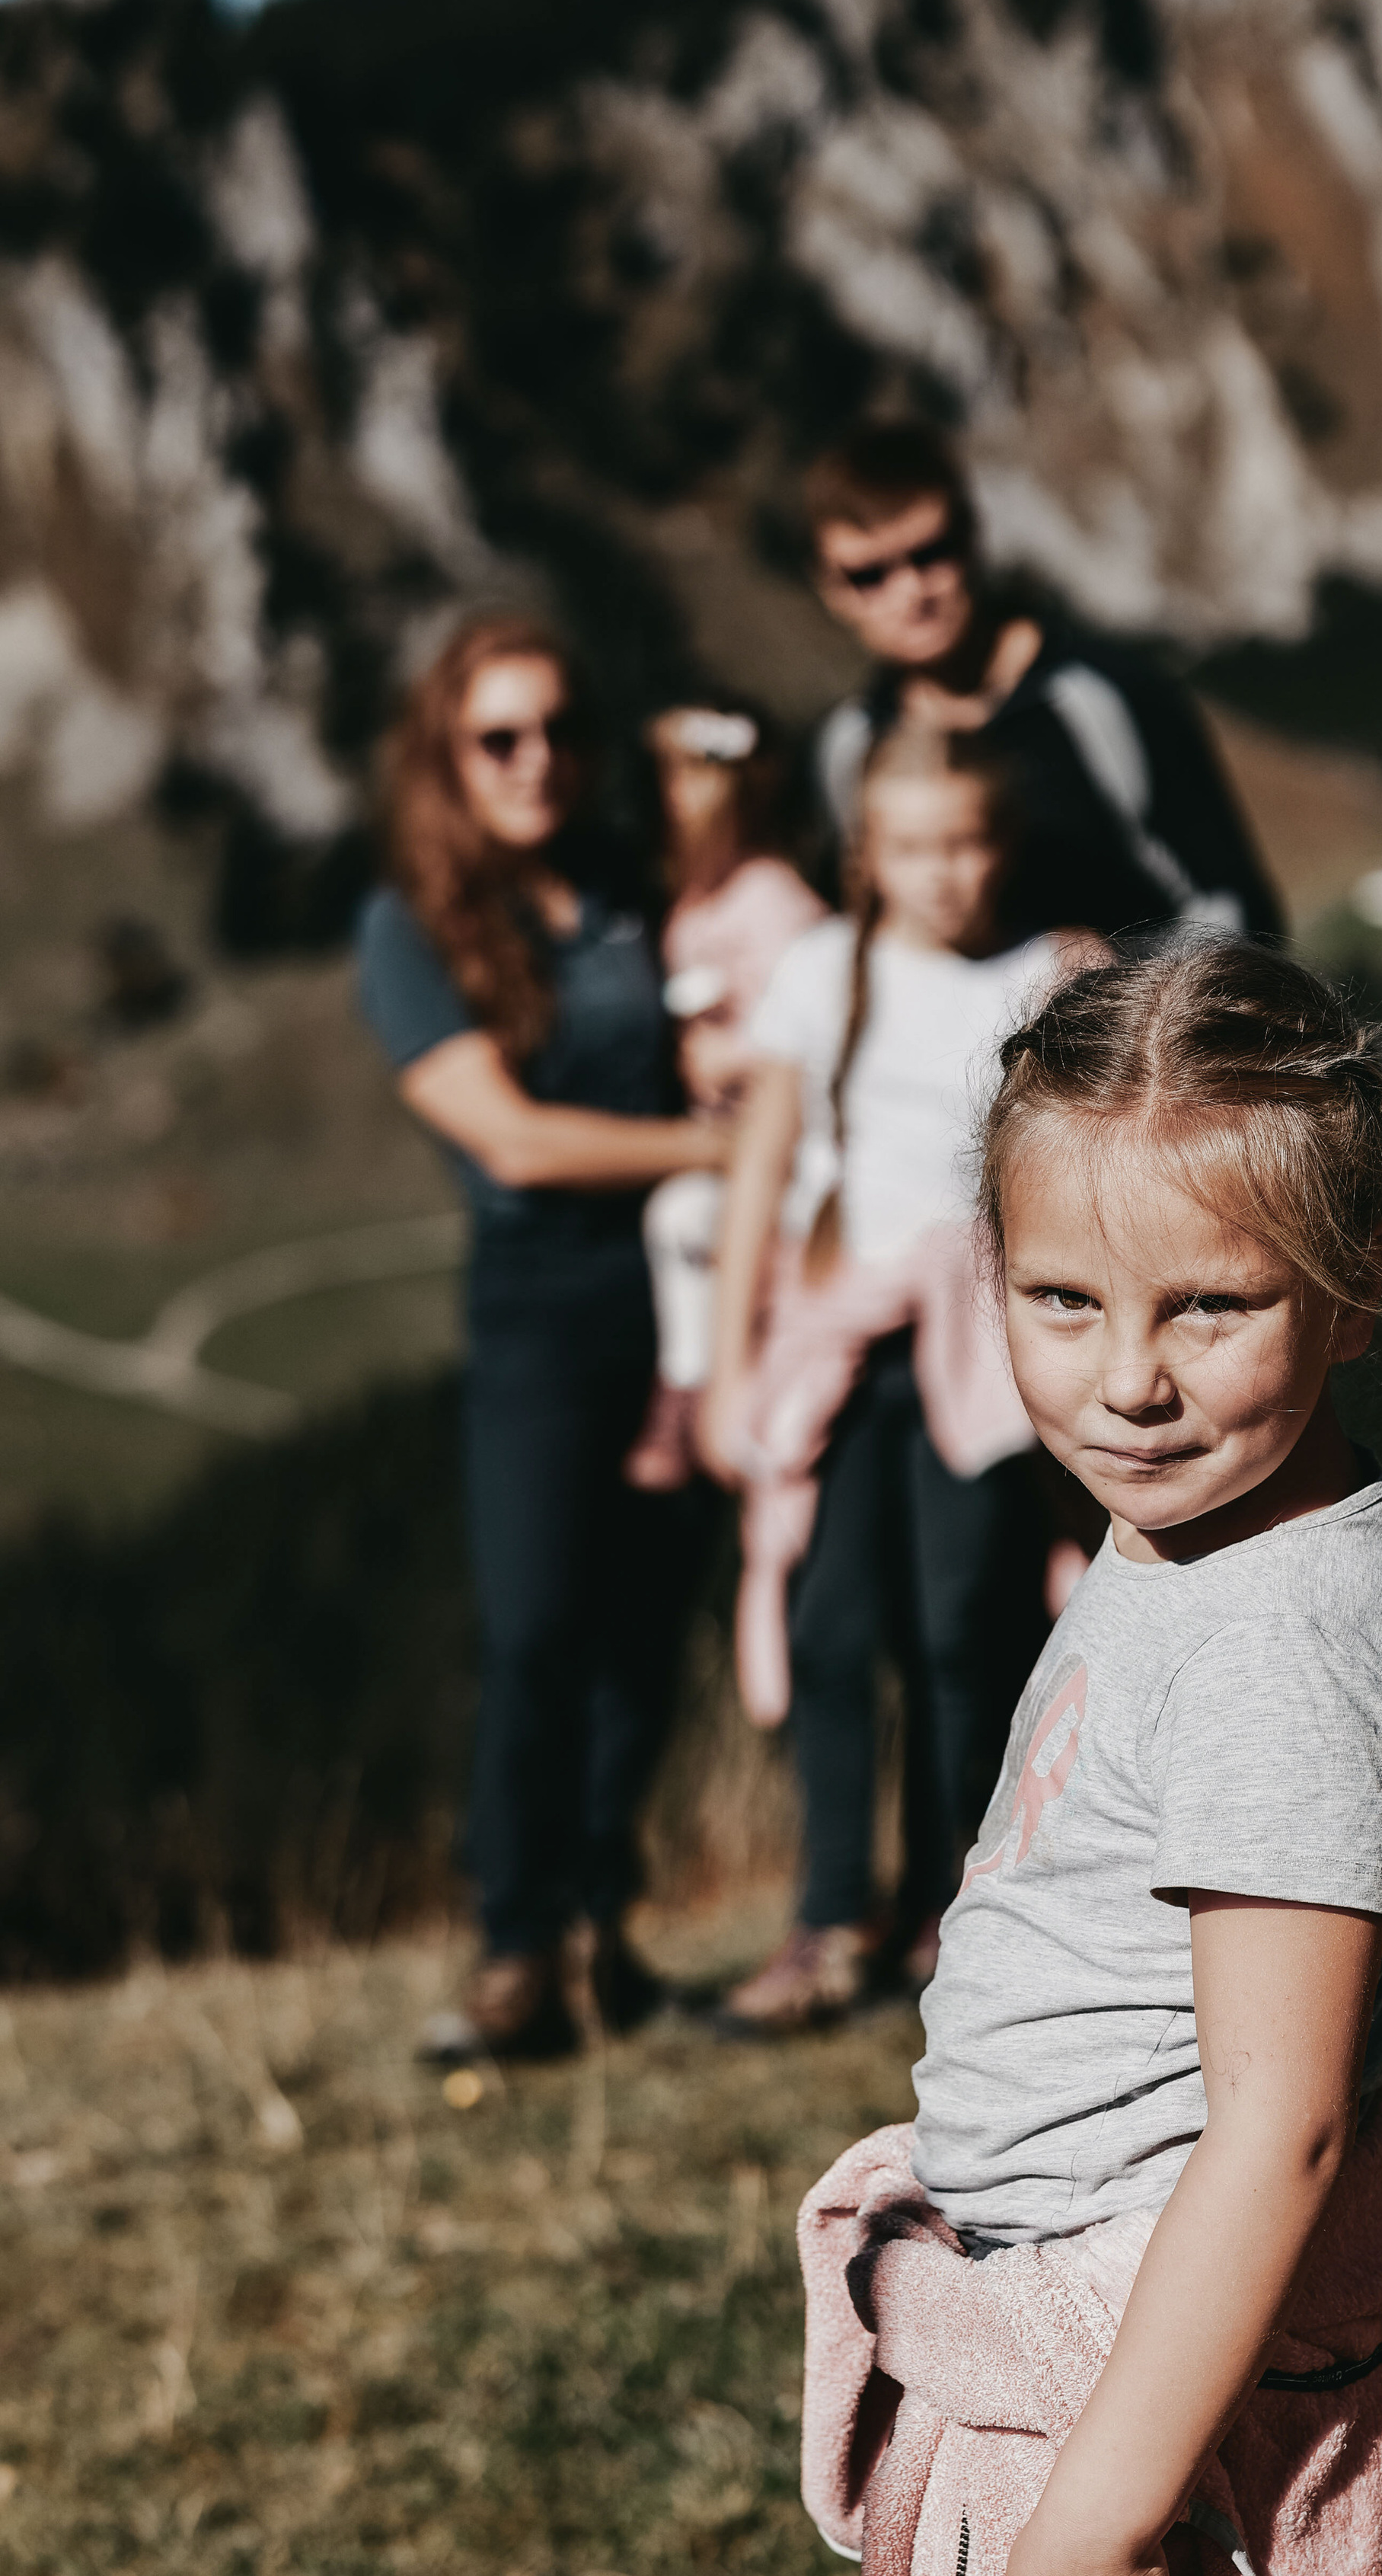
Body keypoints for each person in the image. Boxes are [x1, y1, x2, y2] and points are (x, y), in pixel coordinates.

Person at [796, 940, 1382, 2576]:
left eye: (1209, 1307)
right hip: (1114, 2379)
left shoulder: (1276, 1641)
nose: (1124, 1375)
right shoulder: (1186, 1537)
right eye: (1060, 1298)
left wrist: (1102, 2509)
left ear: (1352, 1279)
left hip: (1173, 2428)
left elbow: (1279, 2123)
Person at [357, 614, 723, 2064]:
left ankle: (603, 1926)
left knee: (644, 1634)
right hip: (539, 1318)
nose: (537, 761)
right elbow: (506, 1140)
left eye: (561, 730)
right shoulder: (412, 927)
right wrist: (712, 1149)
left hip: (683, 1309)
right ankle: (514, 1947)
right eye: (498, 738)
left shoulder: (632, 891)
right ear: (448, 760)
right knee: (533, 1632)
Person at [699, 723, 1067, 2034]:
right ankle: (831, 1911)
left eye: (968, 842)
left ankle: (953, 1911)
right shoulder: (817, 973)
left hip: (977, 1346)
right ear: (868, 854)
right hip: (839, 1342)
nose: (945, 871)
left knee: (968, 1627)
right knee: (832, 1626)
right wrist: (732, 1362)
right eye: (914, 846)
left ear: (1003, 847)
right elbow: (763, 1162)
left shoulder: (1040, 978)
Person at [803, 417, 1285, 944]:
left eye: (929, 554)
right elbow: (859, 935)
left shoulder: (1104, 695)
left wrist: (1108, 984)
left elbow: (1233, 909)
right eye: (870, 575)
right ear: (833, 591)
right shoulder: (849, 750)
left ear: (971, 540)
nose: (911, 591)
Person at [624, 701, 826, 1490]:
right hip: (733, 1145)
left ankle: (689, 1388)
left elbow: (817, 1020)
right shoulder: (690, 907)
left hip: (778, 1152)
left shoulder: (771, 900)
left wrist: (733, 1057)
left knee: (680, 1219)